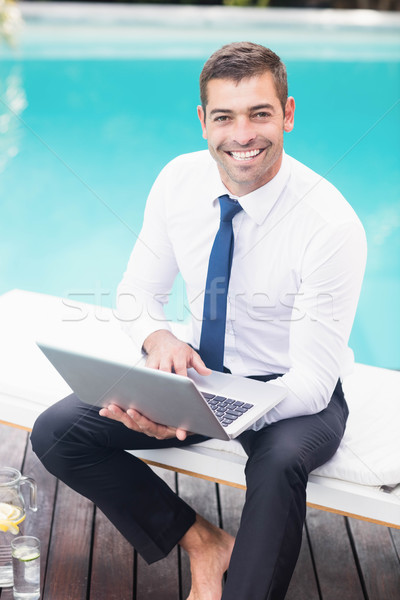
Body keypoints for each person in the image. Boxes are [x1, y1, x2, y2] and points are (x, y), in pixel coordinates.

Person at [31, 42, 367, 599]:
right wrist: (159, 337)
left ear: (286, 114)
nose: (243, 135)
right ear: (202, 122)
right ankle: (205, 542)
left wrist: (203, 414)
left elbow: (310, 384)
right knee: (59, 432)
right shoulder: (178, 181)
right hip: (203, 374)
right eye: (224, 117)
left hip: (290, 391)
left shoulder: (329, 225)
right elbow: (138, 291)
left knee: (280, 466)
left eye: (260, 113)